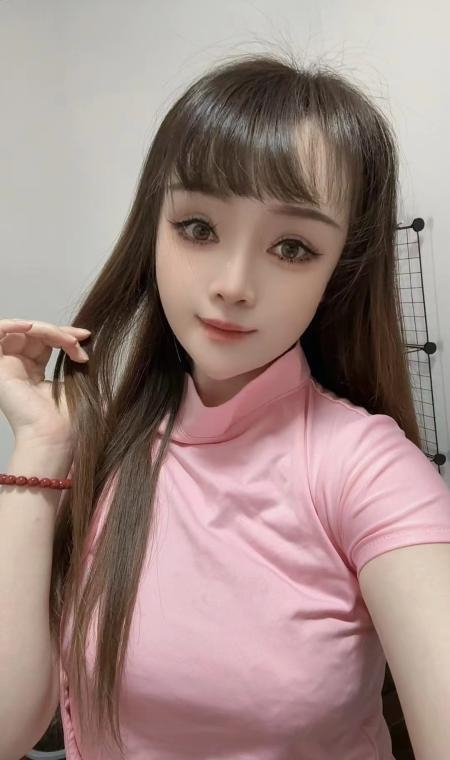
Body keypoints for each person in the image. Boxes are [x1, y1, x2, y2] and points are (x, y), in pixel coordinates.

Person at [1, 50, 450, 760]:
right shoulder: (112, 445)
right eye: (199, 228)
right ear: (153, 230)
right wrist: (41, 446)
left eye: (293, 247)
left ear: (339, 271)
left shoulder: (367, 470)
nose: (233, 284)